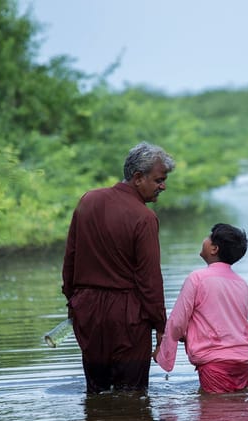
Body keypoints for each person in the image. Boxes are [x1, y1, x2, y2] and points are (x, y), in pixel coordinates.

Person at [62, 142, 175, 393]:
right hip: (128, 315)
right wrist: (160, 325)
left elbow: (70, 257)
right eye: (159, 180)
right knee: (132, 394)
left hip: (88, 311)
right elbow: (150, 281)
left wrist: (74, 303)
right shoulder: (144, 218)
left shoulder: (88, 200)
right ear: (137, 178)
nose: (163, 186)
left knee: (96, 391)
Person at [154, 223, 248, 393]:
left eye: (209, 236)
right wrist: (189, 335)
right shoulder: (242, 285)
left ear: (214, 249)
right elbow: (227, 325)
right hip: (244, 362)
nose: (204, 239)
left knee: (214, 415)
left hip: (215, 364)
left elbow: (178, 322)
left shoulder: (197, 279)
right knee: (241, 414)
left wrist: (162, 352)